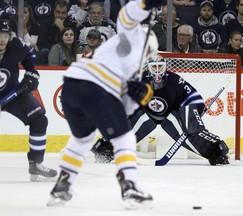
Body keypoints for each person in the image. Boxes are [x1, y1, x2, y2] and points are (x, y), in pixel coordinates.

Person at [47, 0, 162, 209]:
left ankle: (62, 187)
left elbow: (122, 109)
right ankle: (130, 186)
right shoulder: (133, 37)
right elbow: (126, 16)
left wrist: (138, 98)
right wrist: (144, 4)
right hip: (96, 86)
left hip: (72, 85)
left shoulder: (128, 68)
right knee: (124, 136)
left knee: (82, 139)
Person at [91, 53, 230, 166]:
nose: (157, 70)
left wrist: (192, 116)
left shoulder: (175, 80)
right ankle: (106, 150)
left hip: (172, 114)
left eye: (160, 66)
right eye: (154, 67)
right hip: (145, 113)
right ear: (148, 68)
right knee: (135, 122)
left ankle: (216, 151)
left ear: (165, 68)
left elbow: (194, 97)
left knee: (190, 130)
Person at [0, 19, 57, 181]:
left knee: (39, 120)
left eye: (5, 35)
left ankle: (36, 164)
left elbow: (30, 54)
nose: (2, 39)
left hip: (13, 92)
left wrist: (31, 74)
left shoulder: (16, 44)